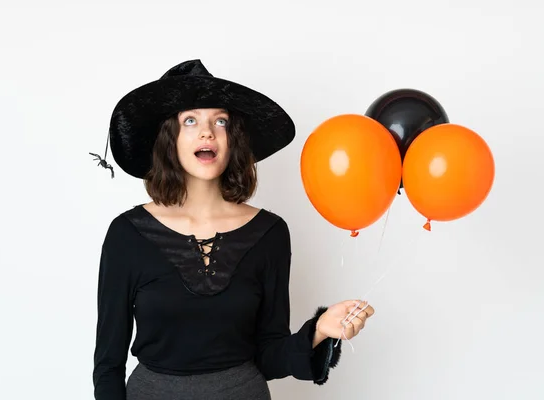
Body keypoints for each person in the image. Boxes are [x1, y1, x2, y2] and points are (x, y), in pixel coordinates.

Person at [91, 59, 374, 400]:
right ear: (171, 139)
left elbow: (269, 358)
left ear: (233, 140)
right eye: (190, 121)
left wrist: (319, 330)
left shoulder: (269, 233)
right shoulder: (127, 234)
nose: (207, 132)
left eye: (220, 121)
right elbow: (108, 365)